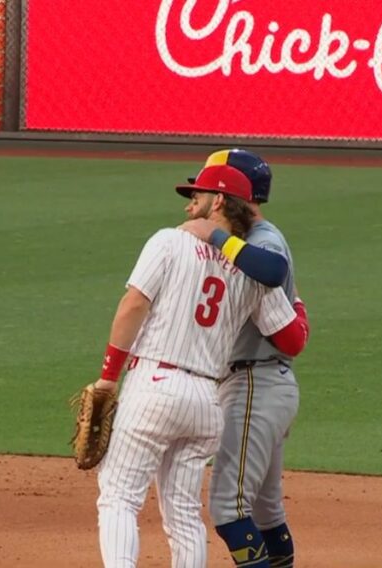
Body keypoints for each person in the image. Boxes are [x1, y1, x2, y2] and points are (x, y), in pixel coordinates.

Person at [92, 160, 311, 568]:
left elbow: (133, 304)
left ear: (219, 202)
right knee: (184, 512)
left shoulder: (169, 241)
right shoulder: (250, 271)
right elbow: (292, 338)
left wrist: (108, 376)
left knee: (119, 496)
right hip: (206, 402)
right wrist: (295, 299)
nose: (189, 205)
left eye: (197, 196)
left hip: (155, 388)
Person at [179, 149, 300, 568]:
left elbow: (272, 270)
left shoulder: (263, 238)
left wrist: (215, 237)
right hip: (265, 383)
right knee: (266, 509)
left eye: (206, 189)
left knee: (228, 507)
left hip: (255, 383)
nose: (197, 199)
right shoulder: (249, 237)